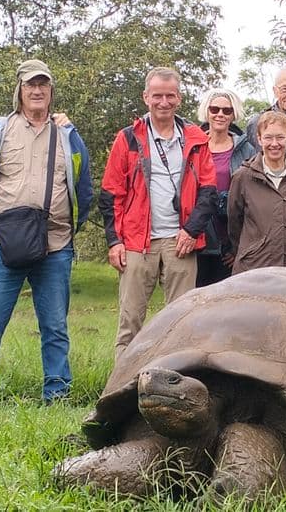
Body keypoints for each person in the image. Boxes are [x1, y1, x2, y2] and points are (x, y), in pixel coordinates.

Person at [0, 60, 92, 402]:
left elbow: (84, 190)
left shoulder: (68, 135)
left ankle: (57, 392)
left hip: (55, 244)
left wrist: (69, 226)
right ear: (19, 91)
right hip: (1, 241)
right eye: (30, 85)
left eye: (43, 85)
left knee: (55, 326)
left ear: (51, 91)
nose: (37, 91)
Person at [99, 67, 216, 359]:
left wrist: (192, 230)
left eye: (170, 96)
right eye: (157, 96)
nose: (164, 102)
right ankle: (123, 380)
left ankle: (175, 380)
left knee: (182, 322)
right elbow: (111, 193)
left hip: (181, 241)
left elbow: (208, 191)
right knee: (130, 321)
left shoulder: (196, 138)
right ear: (146, 97)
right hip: (137, 241)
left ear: (179, 98)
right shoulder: (128, 138)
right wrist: (114, 241)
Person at [228, 110, 286, 274]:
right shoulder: (243, 177)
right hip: (252, 268)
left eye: (280, 137)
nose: (274, 143)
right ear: (259, 139)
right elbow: (234, 224)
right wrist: (253, 249)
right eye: (268, 137)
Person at [195, 87, 256, 286]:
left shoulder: (246, 150)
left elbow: (253, 200)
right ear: (207, 112)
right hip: (197, 236)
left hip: (229, 240)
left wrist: (239, 246)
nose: (220, 114)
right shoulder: (192, 146)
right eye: (214, 109)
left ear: (233, 114)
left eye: (226, 110)